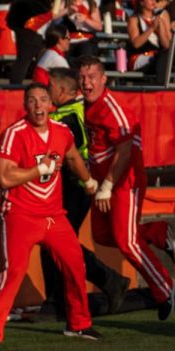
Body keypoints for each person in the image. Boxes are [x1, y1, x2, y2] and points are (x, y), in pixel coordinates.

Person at [0, 83, 102, 351]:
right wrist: (38, 169)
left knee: (75, 264)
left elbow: (71, 156)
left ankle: (78, 323)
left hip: (53, 214)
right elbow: (3, 177)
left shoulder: (61, 131)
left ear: (50, 105)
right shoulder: (14, 134)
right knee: (14, 272)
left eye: (43, 100)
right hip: (21, 213)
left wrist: (88, 181)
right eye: (32, 101)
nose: (38, 106)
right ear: (25, 106)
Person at [78, 56, 175, 319]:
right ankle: (157, 232)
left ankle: (164, 288)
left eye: (92, 77)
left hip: (124, 181)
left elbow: (124, 151)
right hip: (103, 182)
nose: (86, 83)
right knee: (102, 235)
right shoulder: (87, 105)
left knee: (127, 241)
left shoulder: (112, 107)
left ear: (103, 79)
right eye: (83, 77)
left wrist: (108, 185)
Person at [39, 69, 131, 319]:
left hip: (74, 186)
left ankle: (64, 300)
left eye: (49, 88)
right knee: (55, 243)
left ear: (60, 90)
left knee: (55, 244)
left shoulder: (67, 116)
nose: (45, 94)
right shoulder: (75, 111)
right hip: (77, 186)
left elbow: (70, 153)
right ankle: (67, 298)